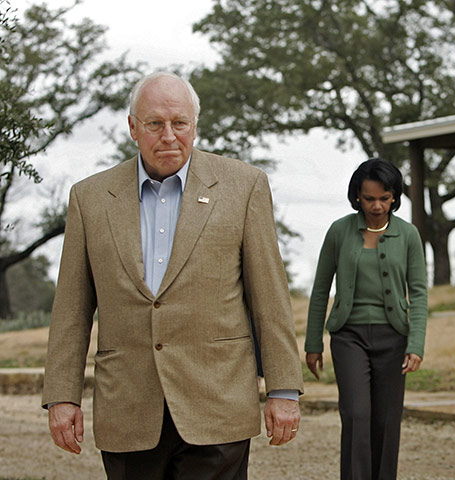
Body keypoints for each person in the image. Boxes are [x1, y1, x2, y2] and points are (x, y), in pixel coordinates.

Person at [42, 71, 304, 479]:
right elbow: (71, 310)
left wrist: (283, 389)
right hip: (128, 408)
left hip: (217, 403)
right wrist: (62, 396)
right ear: (133, 127)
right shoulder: (89, 198)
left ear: (195, 125)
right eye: (155, 124)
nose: (169, 136)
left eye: (179, 123)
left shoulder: (244, 186)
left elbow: (270, 297)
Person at [305, 158, 427, 480]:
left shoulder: (409, 235)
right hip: (349, 337)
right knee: (357, 415)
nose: (377, 206)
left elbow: (419, 293)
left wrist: (415, 343)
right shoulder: (339, 231)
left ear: (394, 196)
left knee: (386, 421)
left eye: (384, 198)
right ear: (357, 196)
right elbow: (320, 290)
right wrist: (313, 342)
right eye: (369, 198)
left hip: (394, 338)